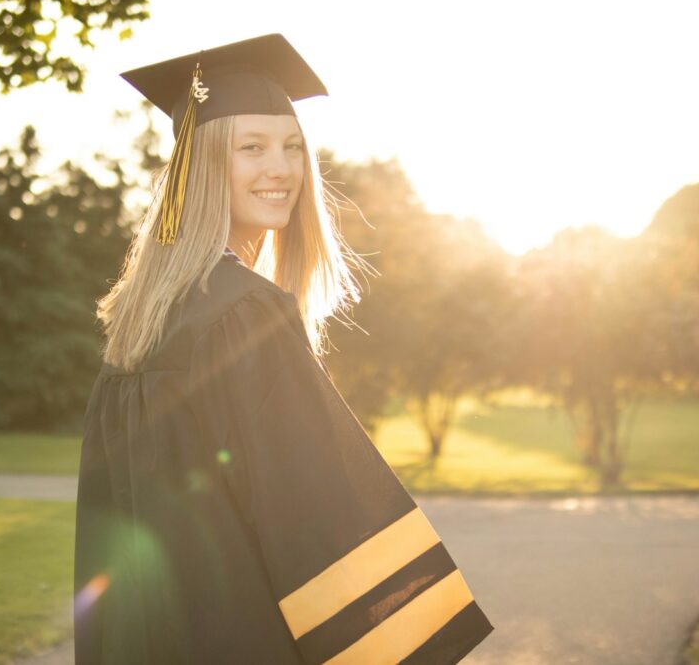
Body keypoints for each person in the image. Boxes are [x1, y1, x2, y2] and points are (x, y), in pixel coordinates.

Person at [74, 34, 493, 664]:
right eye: (252, 147)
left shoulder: (147, 320)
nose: (282, 168)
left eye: (293, 147)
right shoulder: (244, 310)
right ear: (205, 164)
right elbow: (311, 505)